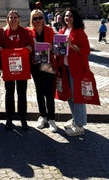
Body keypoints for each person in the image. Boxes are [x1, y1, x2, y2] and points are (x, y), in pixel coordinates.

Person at [0, 10, 34, 131]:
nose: (13, 19)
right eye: (11, 17)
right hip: (9, 69)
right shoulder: (3, 33)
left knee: (22, 94)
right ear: (7, 19)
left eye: (15, 17)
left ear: (19, 19)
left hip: (22, 68)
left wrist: (29, 48)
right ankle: (9, 118)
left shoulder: (25, 32)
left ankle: (23, 118)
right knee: (9, 94)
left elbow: (31, 46)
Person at [57, 7, 91, 136]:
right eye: (66, 16)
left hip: (76, 69)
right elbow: (60, 50)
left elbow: (86, 50)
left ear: (75, 18)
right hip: (65, 68)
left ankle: (80, 125)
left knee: (78, 96)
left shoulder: (79, 32)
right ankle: (76, 118)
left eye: (70, 16)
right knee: (70, 96)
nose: (68, 18)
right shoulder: (62, 30)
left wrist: (71, 45)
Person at [28, 9, 58, 132]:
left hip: (48, 64)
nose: (38, 20)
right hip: (35, 65)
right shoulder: (29, 32)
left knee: (49, 92)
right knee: (39, 91)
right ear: (32, 20)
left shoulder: (50, 31)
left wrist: (52, 46)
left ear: (43, 19)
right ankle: (43, 116)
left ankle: (51, 119)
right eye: (35, 18)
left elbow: (57, 49)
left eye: (40, 18)